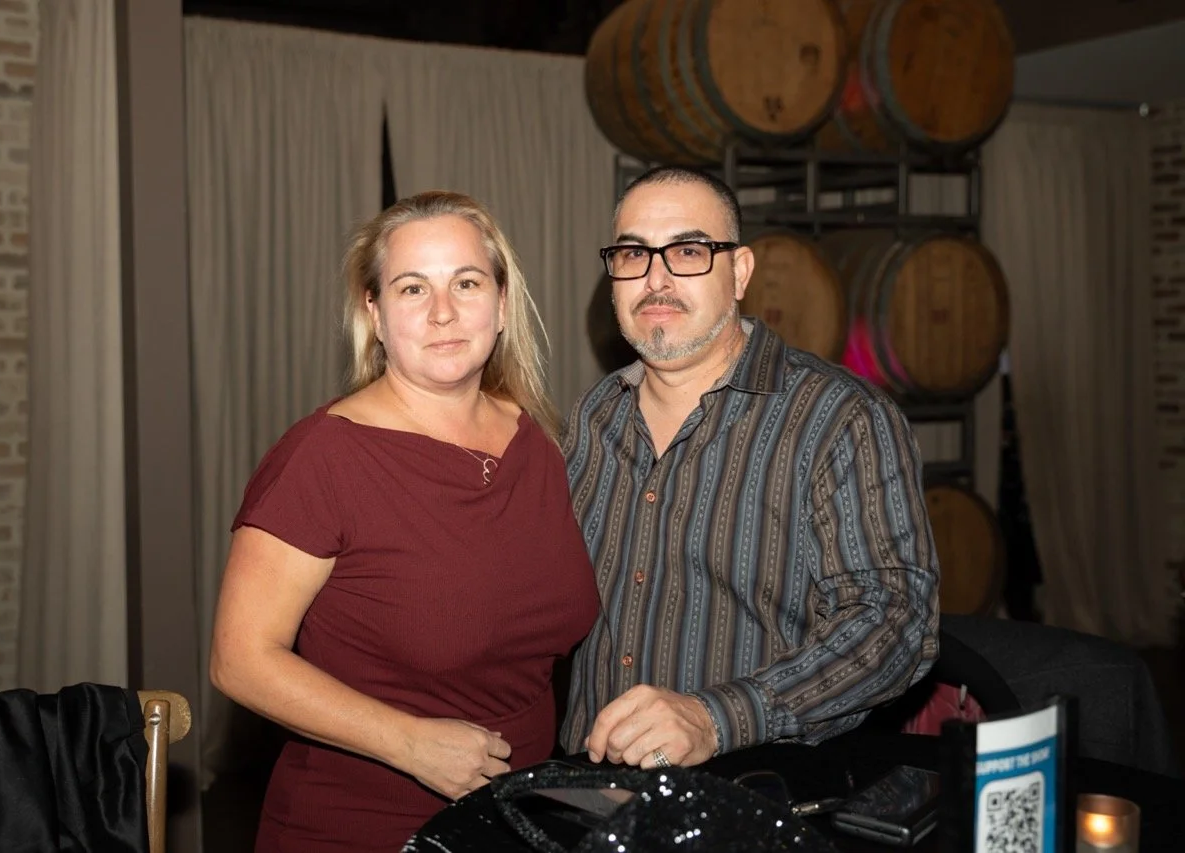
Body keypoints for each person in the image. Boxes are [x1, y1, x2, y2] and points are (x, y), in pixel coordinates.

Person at [210, 190, 600, 853]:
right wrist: (411, 743)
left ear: (503, 305)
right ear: (375, 313)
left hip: (523, 824)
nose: (443, 312)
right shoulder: (324, 456)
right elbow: (240, 660)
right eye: (413, 287)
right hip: (366, 827)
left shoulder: (538, 444)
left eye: (467, 282)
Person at [560, 166, 940, 770]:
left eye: (687, 250)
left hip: (754, 787)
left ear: (739, 272)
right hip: (585, 784)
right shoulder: (593, 416)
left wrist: (717, 718)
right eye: (633, 254)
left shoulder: (842, 418)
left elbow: (891, 623)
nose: (655, 279)